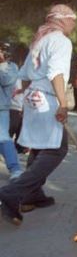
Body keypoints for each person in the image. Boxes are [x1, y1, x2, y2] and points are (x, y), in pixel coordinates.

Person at [0, 4, 76, 225]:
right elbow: (56, 73)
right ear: (62, 20)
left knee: (41, 145)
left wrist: (25, 97)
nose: (75, 23)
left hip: (33, 96)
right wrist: (63, 104)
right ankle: (14, 192)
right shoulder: (61, 40)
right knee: (57, 150)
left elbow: (24, 74)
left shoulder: (40, 39)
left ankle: (33, 194)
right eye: (73, 19)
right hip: (47, 99)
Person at [0, 41, 23, 180]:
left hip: (1, 109)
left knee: (3, 139)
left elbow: (6, 81)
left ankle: (15, 169)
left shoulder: (11, 68)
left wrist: (1, 64)